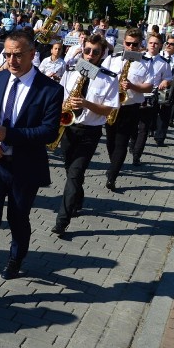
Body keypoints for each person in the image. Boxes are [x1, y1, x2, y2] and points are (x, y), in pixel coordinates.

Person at [0, 30, 63, 312]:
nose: (11, 60)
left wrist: (10, 134)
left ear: (33, 54)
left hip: (24, 167)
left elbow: (48, 131)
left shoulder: (50, 89)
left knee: (18, 219)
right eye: (7, 54)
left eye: (18, 54)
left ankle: (17, 257)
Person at [52, 34, 119, 239]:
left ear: (103, 53)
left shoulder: (109, 78)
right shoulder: (72, 70)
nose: (90, 56)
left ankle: (62, 220)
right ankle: (77, 199)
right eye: (87, 50)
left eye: (95, 52)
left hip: (90, 132)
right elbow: (61, 95)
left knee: (74, 173)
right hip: (69, 128)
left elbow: (109, 110)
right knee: (71, 171)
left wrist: (86, 104)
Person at [102, 28, 152, 191]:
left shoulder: (146, 62)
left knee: (121, 142)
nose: (131, 47)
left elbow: (149, 86)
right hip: (112, 105)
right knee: (110, 141)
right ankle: (114, 164)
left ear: (140, 44)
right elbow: (101, 77)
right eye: (128, 43)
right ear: (123, 43)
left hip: (131, 107)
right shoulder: (113, 59)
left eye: (135, 44)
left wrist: (132, 86)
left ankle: (112, 176)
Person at [131, 34, 172, 166]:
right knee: (132, 126)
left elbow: (168, 78)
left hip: (151, 97)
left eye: (156, 43)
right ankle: (132, 143)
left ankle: (137, 155)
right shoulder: (139, 58)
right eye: (151, 43)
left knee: (144, 128)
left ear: (160, 45)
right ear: (147, 44)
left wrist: (165, 82)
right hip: (134, 95)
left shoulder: (164, 63)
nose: (153, 45)